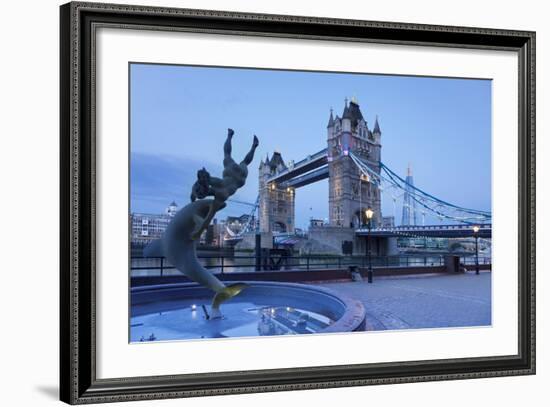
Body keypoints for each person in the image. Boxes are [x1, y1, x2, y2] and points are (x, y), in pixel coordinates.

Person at [190, 128, 258, 239]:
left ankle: (253, 145)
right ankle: (231, 135)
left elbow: (207, 220)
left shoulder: (221, 195)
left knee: (244, 162)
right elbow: (202, 181)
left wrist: (197, 233)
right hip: (232, 173)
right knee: (228, 155)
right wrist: (193, 195)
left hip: (239, 179)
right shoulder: (214, 182)